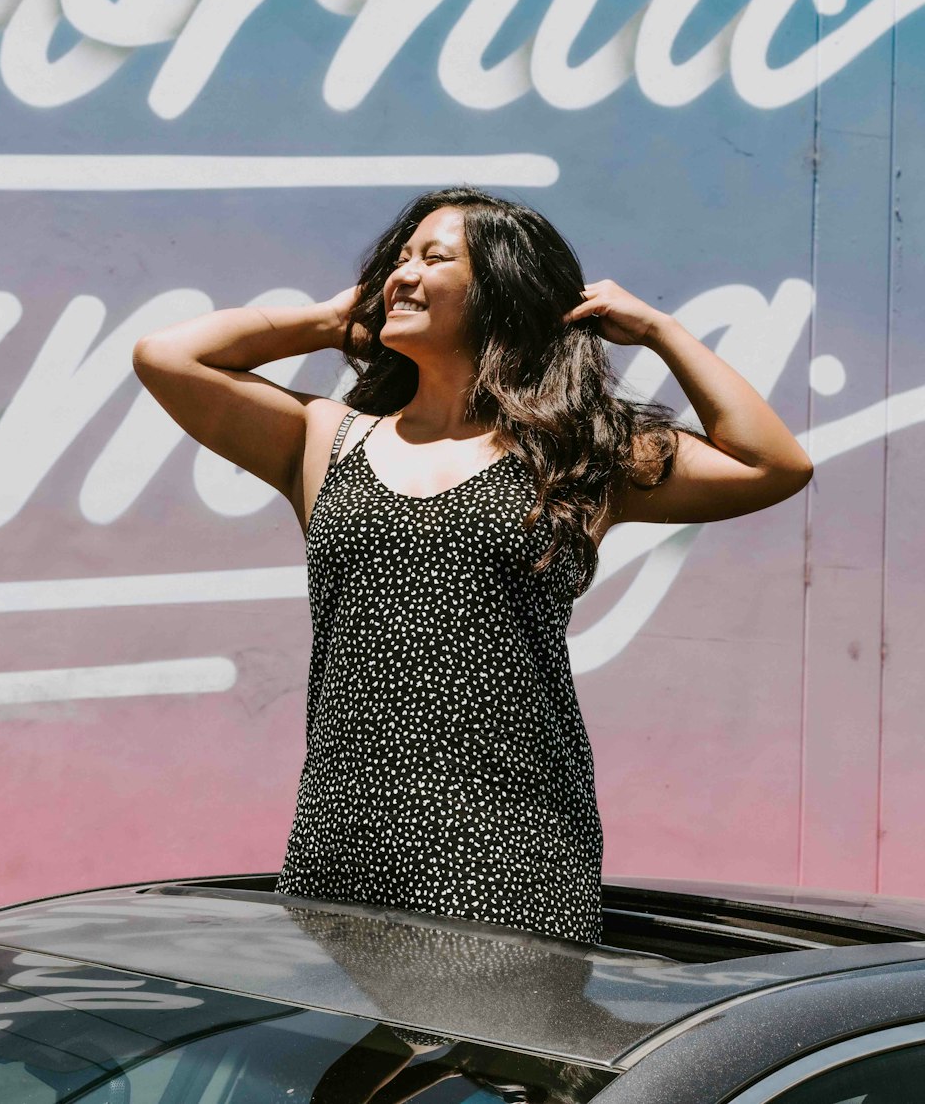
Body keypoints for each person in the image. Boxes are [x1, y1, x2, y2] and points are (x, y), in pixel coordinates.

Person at [132, 185, 813, 953]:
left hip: (511, 840)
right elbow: (165, 356)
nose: (401, 274)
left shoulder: (578, 453)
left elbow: (773, 463)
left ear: (500, 291)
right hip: (344, 833)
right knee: (347, 1072)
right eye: (399, 259)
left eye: (434, 257)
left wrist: (659, 330)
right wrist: (328, 323)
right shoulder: (327, 438)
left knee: (485, 1074)